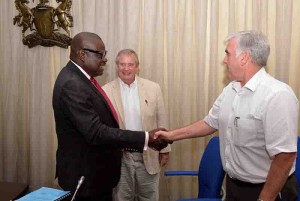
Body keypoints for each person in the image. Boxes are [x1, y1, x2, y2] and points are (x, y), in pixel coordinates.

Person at [155, 30, 299, 201]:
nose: (224, 60)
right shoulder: (231, 89)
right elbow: (209, 123)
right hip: (234, 186)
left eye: (227, 54)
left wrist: (264, 199)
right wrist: (171, 135)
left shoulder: (277, 95)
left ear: (244, 57)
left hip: (269, 191)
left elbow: (285, 156)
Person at [52, 32, 169, 201]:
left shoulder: (83, 80)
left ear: (137, 66)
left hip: (99, 174)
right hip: (85, 177)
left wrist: (162, 147)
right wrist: (145, 137)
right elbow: (95, 132)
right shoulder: (73, 83)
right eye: (100, 54)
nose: (104, 60)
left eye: (105, 54)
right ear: (82, 55)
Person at [103, 49, 171, 201]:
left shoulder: (153, 88)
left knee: (149, 197)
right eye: (122, 64)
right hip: (120, 157)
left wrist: (165, 149)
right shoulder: (105, 91)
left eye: (130, 64)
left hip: (149, 153)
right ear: (116, 66)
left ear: (137, 67)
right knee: (121, 197)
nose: (126, 69)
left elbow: (162, 120)